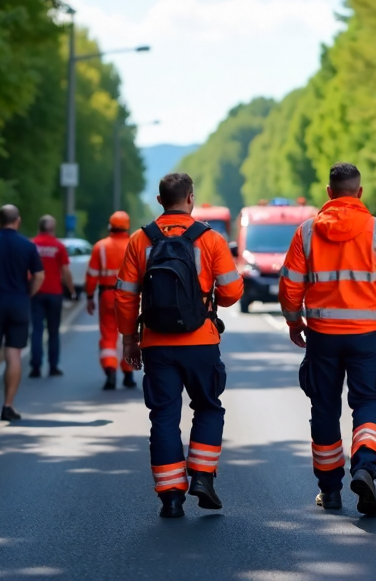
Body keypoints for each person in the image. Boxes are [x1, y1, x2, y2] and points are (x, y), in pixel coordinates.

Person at [279, 162, 376, 516]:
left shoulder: (306, 233)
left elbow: (290, 286)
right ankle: (364, 468)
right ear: (359, 193)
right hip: (366, 337)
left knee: (324, 409)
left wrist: (294, 322)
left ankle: (331, 492)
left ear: (329, 193)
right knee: (368, 403)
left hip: (322, 337)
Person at [116, 173, 243, 518]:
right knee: (207, 406)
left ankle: (171, 496)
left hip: (157, 344)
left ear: (159, 201)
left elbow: (126, 298)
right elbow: (232, 293)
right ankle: (201, 476)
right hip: (201, 341)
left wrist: (130, 340)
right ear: (190, 199)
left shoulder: (139, 241)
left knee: (163, 418)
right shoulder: (211, 239)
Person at [0, 205, 44, 422]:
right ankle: (7, 406)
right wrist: (27, 294)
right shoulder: (27, 245)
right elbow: (39, 276)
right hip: (18, 304)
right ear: (17, 220)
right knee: (13, 355)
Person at [86, 211, 134, 390]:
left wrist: (89, 296)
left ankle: (110, 371)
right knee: (129, 335)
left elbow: (91, 276)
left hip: (107, 295)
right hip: (130, 297)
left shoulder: (101, 247)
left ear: (110, 226)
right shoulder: (134, 244)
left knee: (108, 336)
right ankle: (128, 373)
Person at [29, 215, 74, 379]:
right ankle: (53, 366)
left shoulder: (32, 245)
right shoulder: (58, 246)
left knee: (36, 330)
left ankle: (35, 366)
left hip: (36, 292)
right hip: (54, 294)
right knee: (54, 331)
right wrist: (72, 290)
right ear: (52, 229)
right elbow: (65, 271)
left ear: (39, 228)